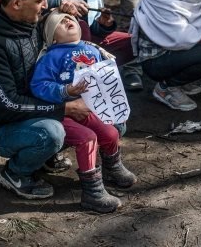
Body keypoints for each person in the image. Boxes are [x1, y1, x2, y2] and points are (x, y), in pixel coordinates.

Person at [0, 0, 86, 199]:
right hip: (4, 127)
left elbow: (51, 0)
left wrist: (64, 2)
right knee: (51, 133)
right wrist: (64, 108)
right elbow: (8, 104)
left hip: (39, 108)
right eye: (40, 1)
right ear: (16, 3)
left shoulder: (31, 14)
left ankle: (44, 158)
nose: (46, 6)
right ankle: (15, 173)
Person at [30, 11, 136, 212]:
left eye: (69, 18)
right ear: (53, 37)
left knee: (111, 133)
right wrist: (65, 91)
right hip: (62, 113)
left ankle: (112, 168)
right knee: (87, 138)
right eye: (60, 22)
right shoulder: (50, 56)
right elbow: (39, 86)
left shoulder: (93, 50)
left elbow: (104, 80)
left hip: (89, 109)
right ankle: (92, 192)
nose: (67, 21)